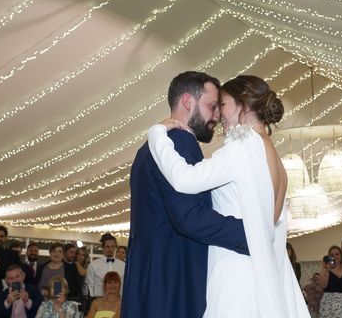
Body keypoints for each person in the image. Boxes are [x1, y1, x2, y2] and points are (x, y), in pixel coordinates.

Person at [147, 74, 309, 317]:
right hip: (266, 272)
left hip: (235, 271)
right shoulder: (274, 157)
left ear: (243, 104)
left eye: (223, 104)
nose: (218, 115)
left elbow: (184, 179)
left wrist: (157, 134)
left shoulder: (243, 145)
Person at [121, 71, 250, 318]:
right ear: (188, 102)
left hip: (149, 279)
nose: (216, 116)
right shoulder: (180, 143)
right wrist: (252, 233)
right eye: (211, 106)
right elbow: (189, 217)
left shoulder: (148, 148)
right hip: (174, 279)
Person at [86, 234, 125, 300]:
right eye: (107, 247)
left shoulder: (123, 266)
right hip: (99, 301)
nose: (110, 249)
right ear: (103, 247)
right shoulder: (93, 265)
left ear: (115, 247)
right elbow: (89, 285)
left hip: (117, 302)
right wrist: (94, 301)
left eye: (112, 247)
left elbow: (123, 286)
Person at [317, 245, 342, 318]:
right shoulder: (325, 269)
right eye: (332, 255)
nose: (335, 256)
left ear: (341, 256)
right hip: (329, 305)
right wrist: (327, 270)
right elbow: (323, 285)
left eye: (337, 254)